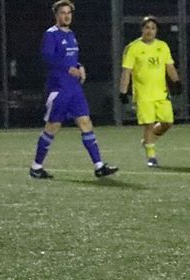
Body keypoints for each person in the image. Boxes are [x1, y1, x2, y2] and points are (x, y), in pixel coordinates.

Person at [29, 0, 118, 180]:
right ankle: (36, 167)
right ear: (56, 15)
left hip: (74, 89)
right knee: (52, 127)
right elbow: (47, 57)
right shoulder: (51, 34)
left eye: (69, 13)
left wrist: (79, 66)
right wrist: (68, 68)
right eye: (63, 13)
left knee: (85, 122)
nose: (67, 16)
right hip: (59, 88)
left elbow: (71, 59)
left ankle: (99, 166)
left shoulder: (71, 35)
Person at [118, 15, 182, 168]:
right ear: (142, 29)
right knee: (149, 124)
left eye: (153, 28)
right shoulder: (133, 48)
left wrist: (177, 82)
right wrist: (123, 91)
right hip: (143, 94)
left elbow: (169, 67)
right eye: (147, 27)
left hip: (161, 93)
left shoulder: (162, 46)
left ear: (156, 31)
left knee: (168, 122)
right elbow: (127, 71)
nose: (150, 31)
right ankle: (151, 156)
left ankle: (148, 141)